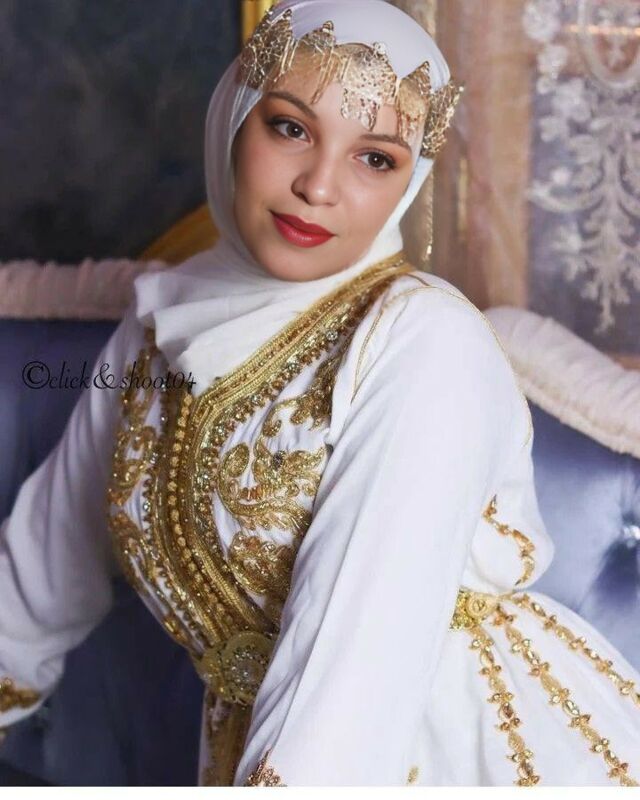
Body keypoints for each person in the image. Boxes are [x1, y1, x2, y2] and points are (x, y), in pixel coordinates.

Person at [1, 0, 639, 787]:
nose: (318, 186)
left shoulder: (425, 344)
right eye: (290, 128)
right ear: (234, 118)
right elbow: (37, 578)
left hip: (442, 757)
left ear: (411, 179)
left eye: (375, 158)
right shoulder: (163, 321)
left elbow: (356, 682)